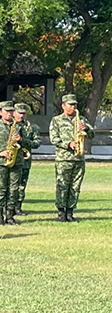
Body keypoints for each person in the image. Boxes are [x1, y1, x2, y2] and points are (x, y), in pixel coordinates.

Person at [49, 94, 94, 222]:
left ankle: (70, 211)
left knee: (75, 186)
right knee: (62, 186)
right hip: (63, 159)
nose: (73, 107)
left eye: (74, 104)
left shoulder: (81, 119)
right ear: (63, 106)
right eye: (70, 104)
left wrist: (85, 128)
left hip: (78, 159)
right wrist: (68, 144)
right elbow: (54, 139)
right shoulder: (56, 120)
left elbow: (92, 134)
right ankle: (61, 212)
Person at [0, 101, 31, 225]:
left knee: (14, 189)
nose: (10, 114)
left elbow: (29, 143)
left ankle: (10, 216)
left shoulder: (19, 126)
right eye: (7, 111)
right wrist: (0, 152)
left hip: (16, 161)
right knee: (1, 189)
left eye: (11, 111)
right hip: (0, 162)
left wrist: (21, 139)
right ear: (0, 112)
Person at [14, 103, 41, 215]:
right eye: (19, 113)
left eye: (23, 113)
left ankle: (18, 207)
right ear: (13, 113)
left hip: (24, 160)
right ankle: (7, 207)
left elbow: (37, 143)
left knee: (21, 185)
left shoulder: (31, 128)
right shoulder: (8, 125)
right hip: (10, 159)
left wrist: (22, 140)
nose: (21, 116)